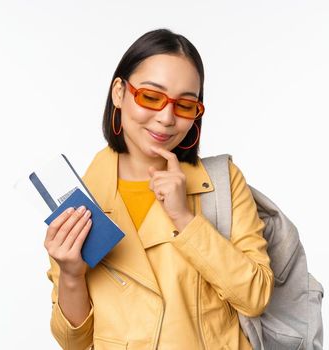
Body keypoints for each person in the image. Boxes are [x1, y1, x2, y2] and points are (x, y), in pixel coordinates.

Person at [42, 28, 273, 350]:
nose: (166, 118)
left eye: (185, 105)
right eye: (151, 97)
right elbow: (73, 343)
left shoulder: (220, 181)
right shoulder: (80, 196)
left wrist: (184, 218)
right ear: (119, 93)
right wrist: (70, 275)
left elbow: (255, 296)